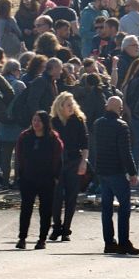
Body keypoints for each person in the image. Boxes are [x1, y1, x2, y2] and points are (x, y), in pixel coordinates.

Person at [92, 95, 139, 255]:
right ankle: (124, 242)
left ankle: (109, 242)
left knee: (106, 208)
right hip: (117, 171)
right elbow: (125, 152)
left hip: (102, 170)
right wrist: (133, 173)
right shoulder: (122, 126)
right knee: (124, 207)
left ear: (106, 107)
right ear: (120, 110)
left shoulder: (98, 124)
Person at [14, 109, 62, 249]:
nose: (36, 123)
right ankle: (22, 238)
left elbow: (58, 159)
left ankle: (42, 239)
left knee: (45, 210)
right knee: (26, 208)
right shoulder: (25, 136)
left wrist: (56, 177)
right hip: (28, 178)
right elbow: (19, 156)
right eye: (34, 120)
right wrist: (20, 174)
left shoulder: (53, 139)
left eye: (39, 120)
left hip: (47, 179)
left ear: (45, 122)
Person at [50, 92, 89, 242]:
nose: (71, 107)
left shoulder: (78, 121)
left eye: (72, 104)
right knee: (56, 196)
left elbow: (85, 144)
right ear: (60, 106)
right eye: (68, 105)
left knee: (71, 197)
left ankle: (66, 229)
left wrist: (83, 162)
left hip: (74, 161)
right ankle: (56, 227)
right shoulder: (53, 122)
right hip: (56, 163)